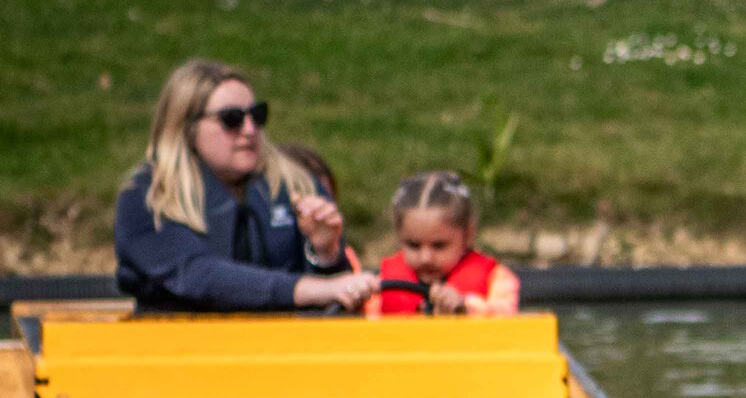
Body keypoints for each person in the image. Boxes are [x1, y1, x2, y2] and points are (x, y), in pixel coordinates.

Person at [112, 61, 371, 314]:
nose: (249, 130)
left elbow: (338, 297)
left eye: (257, 115)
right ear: (187, 128)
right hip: (179, 347)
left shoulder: (296, 184)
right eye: (231, 119)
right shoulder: (149, 197)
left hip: (285, 348)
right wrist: (309, 288)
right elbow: (199, 277)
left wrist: (325, 254)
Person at [366, 171, 521, 318]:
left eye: (439, 246)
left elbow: (506, 320)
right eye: (413, 245)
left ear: (468, 234)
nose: (426, 258)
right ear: (399, 236)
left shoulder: (497, 280)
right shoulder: (379, 287)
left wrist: (465, 308)